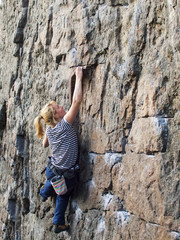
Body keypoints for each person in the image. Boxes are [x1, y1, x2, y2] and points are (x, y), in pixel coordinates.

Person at [34, 66, 83, 233]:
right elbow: (76, 101)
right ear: (56, 116)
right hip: (64, 175)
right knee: (63, 195)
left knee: (53, 180)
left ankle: (44, 193)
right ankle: (58, 223)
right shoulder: (64, 125)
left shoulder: (50, 128)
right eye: (59, 107)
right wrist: (79, 77)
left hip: (52, 169)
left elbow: (44, 145)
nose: (63, 106)